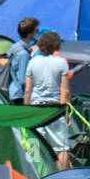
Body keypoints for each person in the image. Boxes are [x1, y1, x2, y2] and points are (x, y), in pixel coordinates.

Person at [24, 29, 72, 171]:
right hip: (55, 110)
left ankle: (34, 176)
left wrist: (26, 110)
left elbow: (27, 90)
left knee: (34, 145)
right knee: (61, 147)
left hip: (35, 110)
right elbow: (66, 91)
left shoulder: (32, 62)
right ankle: (62, 178)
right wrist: (67, 111)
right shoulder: (61, 63)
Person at [6, 16, 39, 103]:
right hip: (18, 95)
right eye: (36, 31)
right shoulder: (23, 54)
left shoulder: (14, 47)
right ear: (30, 34)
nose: (37, 33)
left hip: (11, 91)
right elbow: (23, 79)